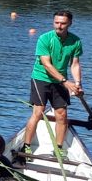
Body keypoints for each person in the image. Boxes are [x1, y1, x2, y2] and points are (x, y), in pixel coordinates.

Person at [22, 10, 84, 149]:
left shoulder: (75, 41)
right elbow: (47, 65)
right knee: (38, 112)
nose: (59, 26)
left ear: (70, 24)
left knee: (62, 115)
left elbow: (75, 64)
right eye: (56, 22)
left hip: (60, 81)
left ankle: (59, 149)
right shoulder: (44, 39)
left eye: (63, 23)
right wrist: (67, 83)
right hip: (41, 78)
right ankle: (26, 146)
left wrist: (78, 84)